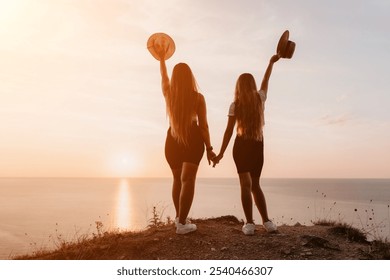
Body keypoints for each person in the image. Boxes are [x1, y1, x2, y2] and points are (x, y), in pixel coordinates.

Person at [212, 53, 281, 235]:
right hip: (252, 145)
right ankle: (258, 222)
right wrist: (270, 62)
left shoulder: (243, 103)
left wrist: (220, 154)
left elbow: (228, 132)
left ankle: (257, 222)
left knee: (250, 185)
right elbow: (266, 78)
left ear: (238, 87)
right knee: (251, 184)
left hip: (248, 145)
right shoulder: (257, 98)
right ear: (252, 85)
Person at [157, 47, 216, 234]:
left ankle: (179, 218)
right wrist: (209, 148)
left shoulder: (169, 94)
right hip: (192, 138)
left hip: (172, 138)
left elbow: (164, 78)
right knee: (188, 180)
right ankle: (182, 223)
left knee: (177, 179)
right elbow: (204, 126)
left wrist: (162, 60)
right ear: (190, 77)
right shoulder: (198, 98)